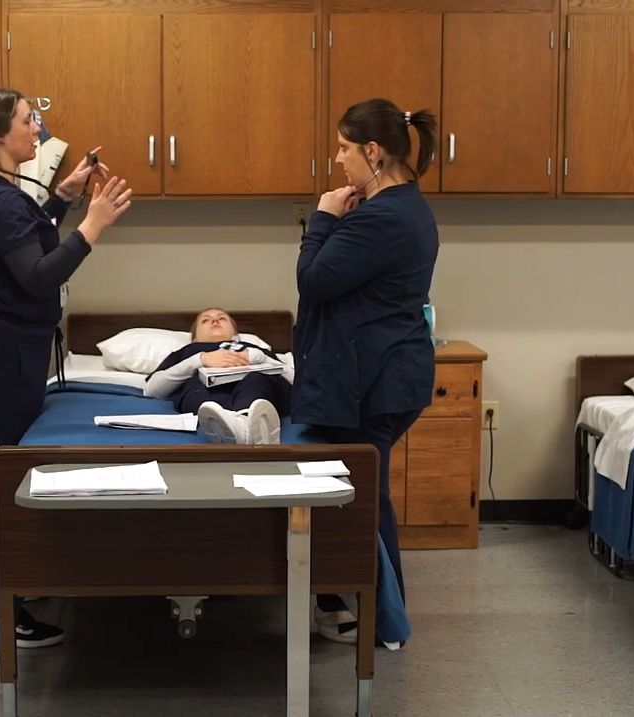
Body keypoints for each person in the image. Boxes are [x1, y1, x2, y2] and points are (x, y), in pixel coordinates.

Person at [0, 88, 133, 649]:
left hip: (11, 351)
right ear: (1, 134)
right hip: (2, 354)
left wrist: (64, 199)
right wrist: (92, 226)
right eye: (30, 120)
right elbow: (37, 275)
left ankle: (0, 585)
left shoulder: (2, 190)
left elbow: (27, 243)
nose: (39, 129)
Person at [293, 98, 439, 643]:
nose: (339, 159)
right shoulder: (402, 207)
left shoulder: (383, 216)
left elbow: (314, 280)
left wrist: (324, 218)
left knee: (362, 502)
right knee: (357, 495)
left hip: (375, 380)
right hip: (382, 373)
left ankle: (384, 619)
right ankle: (344, 601)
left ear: (373, 152)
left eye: (345, 148)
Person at [144, 308, 293, 444]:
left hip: (258, 392)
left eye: (222, 318)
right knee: (193, 384)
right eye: (205, 320)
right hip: (208, 398)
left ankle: (241, 425)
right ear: (194, 338)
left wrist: (262, 358)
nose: (215, 321)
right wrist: (200, 360)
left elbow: (297, 381)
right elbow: (152, 389)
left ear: (235, 335)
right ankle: (249, 429)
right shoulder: (188, 351)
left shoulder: (254, 349)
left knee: (256, 378)